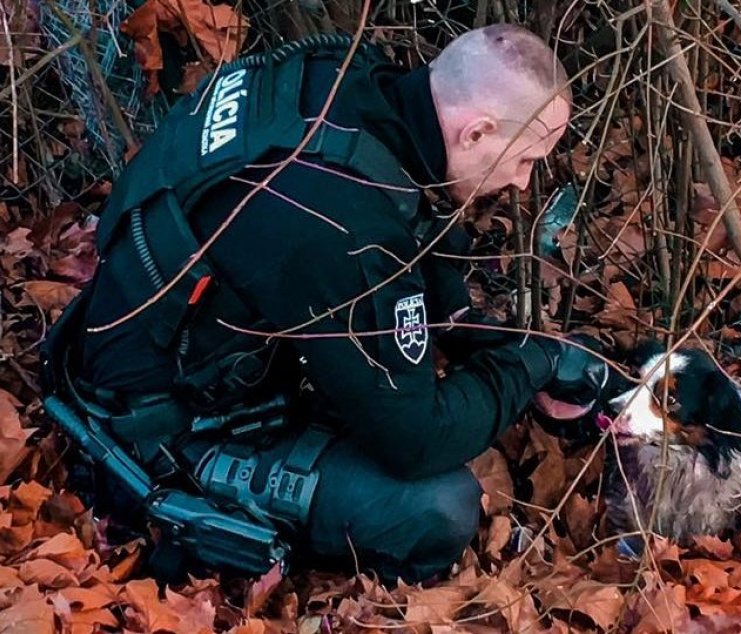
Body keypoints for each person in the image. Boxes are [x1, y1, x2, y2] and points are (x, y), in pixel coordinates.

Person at [42, 24, 608, 582]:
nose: (523, 185)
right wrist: (531, 365)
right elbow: (417, 440)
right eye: (526, 161)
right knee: (437, 505)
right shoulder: (338, 222)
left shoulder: (343, 80)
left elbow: (419, 240)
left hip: (143, 331)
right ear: (477, 133)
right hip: (156, 425)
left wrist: (514, 345)